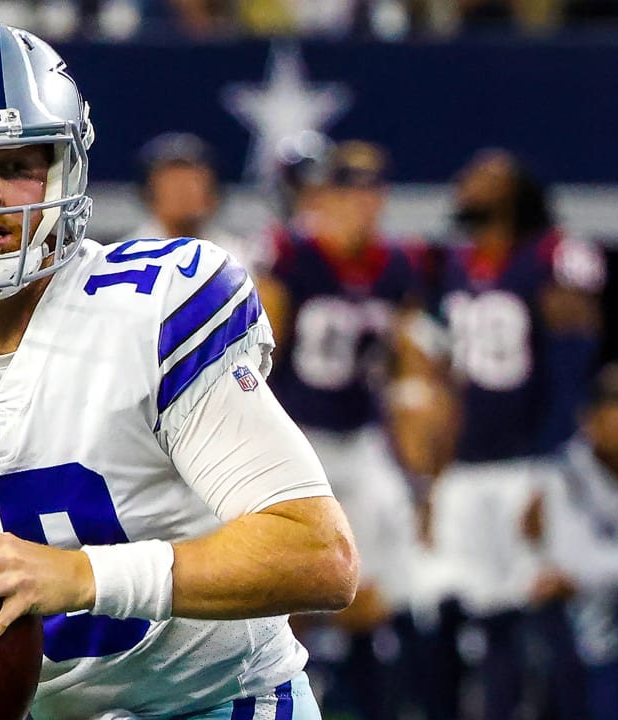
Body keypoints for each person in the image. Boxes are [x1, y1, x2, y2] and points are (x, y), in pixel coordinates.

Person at [0, 20, 357, 720]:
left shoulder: (157, 307)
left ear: (66, 167)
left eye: (18, 163)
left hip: (220, 704)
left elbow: (317, 554)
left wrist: (78, 576)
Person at [426, 149, 606, 719]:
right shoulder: (453, 264)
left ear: (517, 189)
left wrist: (552, 465)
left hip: (531, 459)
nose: (468, 180)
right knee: (484, 615)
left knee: (548, 611)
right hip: (469, 464)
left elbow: (573, 362)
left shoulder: (553, 256)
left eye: (487, 174)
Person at [260, 141, 422, 720]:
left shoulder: (395, 265)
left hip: (361, 436)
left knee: (389, 585)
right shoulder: (292, 258)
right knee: (293, 580)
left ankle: (362, 690)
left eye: (370, 189)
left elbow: (406, 362)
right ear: (323, 196)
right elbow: (259, 357)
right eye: (348, 189)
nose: (361, 203)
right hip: (300, 434)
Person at [532, 360, 618, 720]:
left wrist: (599, 571)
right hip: (582, 629)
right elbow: (571, 560)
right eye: (613, 408)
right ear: (590, 419)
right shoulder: (562, 472)